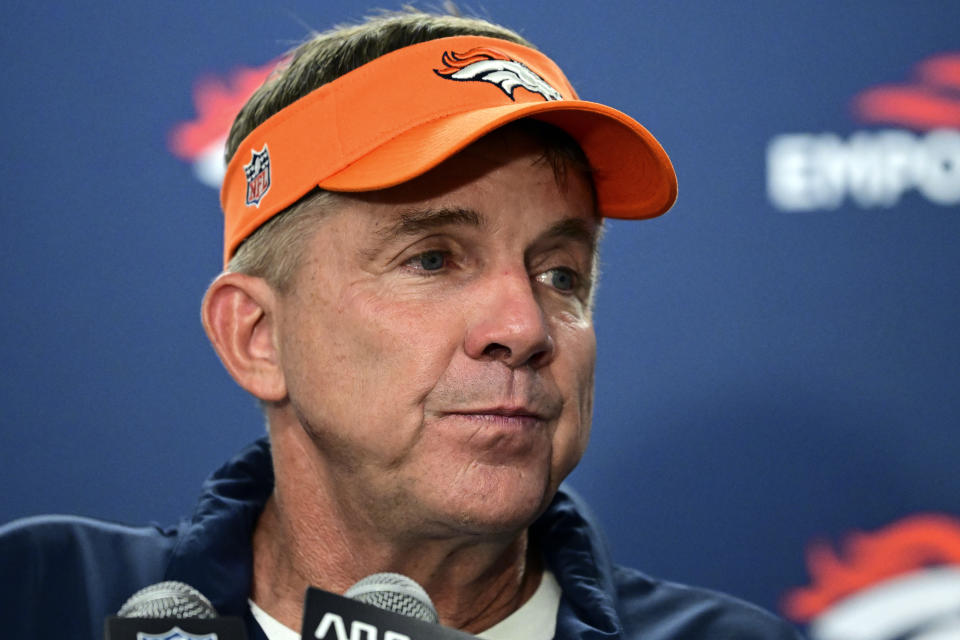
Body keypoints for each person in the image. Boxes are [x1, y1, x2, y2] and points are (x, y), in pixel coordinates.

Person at [0, 9, 803, 640]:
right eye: (433, 259)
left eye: (560, 273)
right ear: (257, 337)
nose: (524, 326)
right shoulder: (42, 597)